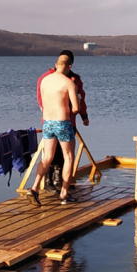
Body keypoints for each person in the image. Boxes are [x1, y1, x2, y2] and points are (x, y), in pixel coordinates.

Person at [28, 54, 79, 206]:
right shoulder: (69, 83)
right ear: (69, 66)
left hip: (48, 122)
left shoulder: (44, 80)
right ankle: (64, 194)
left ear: (56, 65)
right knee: (68, 158)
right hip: (62, 122)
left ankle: (35, 188)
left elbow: (42, 102)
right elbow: (75, 108)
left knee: (47, 157)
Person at [36, 49, 89, 193]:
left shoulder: (74, 79)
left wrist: (84, 116)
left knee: (57, 155)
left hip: (59, 121)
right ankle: (51, 183)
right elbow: (41, 98)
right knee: (61, 155)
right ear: (69, 64)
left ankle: (58, 181)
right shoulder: (48, 78)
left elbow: (81, 97)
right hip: (60, 120)